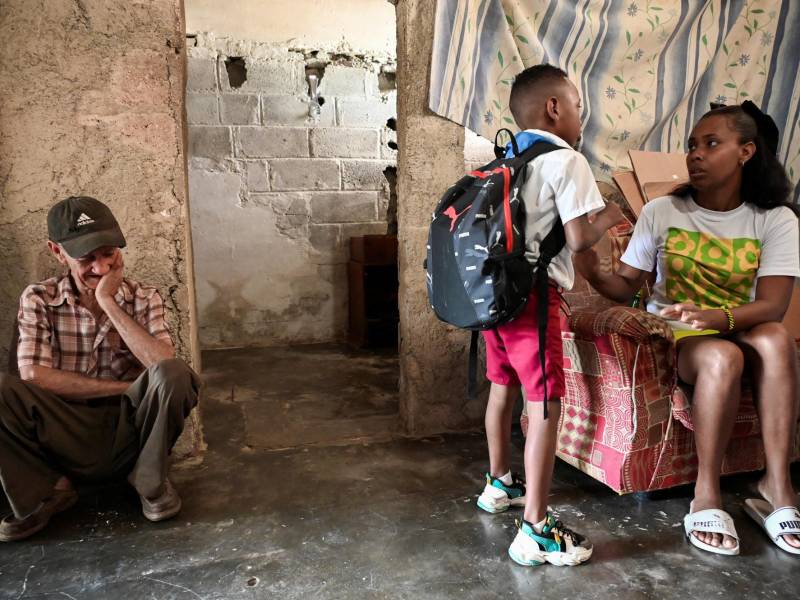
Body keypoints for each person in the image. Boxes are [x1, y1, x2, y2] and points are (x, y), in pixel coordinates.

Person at [574, 102, 800, 556]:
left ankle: (777, 485)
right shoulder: (662, 211)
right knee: (723, 355)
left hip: (739, 324)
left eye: (711, 144)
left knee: (776, 341)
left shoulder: (776, 219)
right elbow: (625, 287)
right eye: (692, 145)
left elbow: (773, 307)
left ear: (746, 152)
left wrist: (722, 318)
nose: (695, 154)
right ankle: (706, 492)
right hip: (683, 336)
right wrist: (595, 272)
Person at [475, 65, 624, 567]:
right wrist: (617, 210)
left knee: (502, 389)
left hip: (495, 298)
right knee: (544, 405)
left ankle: (498, 483)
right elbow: (580, 238)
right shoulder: (566, 159)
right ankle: (536, 527)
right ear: (555, 107)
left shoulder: (507, 156)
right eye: (578, 105)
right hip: (535, 301)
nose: (583, 116)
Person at [0, 196, 200, 542]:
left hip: (130, 430)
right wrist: (126, 388)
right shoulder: (38, 299)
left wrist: (108, 302)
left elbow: (163, 365)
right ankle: (50, 490)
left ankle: (149, 482)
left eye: (109, 253)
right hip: (64, 428)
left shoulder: (143, 297)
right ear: (57, 252)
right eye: (87, 259)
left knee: (176, 374)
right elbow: (34, 375)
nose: (102, 268)